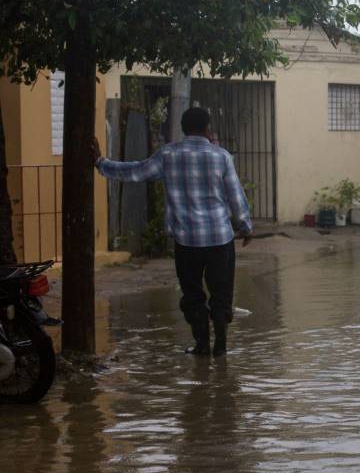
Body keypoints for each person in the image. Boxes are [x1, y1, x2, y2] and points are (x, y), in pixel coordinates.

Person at [91, 107, 253, 355]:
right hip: (220, 239)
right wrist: (245, 225)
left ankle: (201, 344)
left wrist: (100, 163)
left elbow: (135, 171)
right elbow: (235, 195)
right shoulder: (221, 157)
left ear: (183, 128)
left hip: (186, 241)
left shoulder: (168, 155)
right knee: (221, 294)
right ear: (208, 129)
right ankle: (220, 347)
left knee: (192, 294)